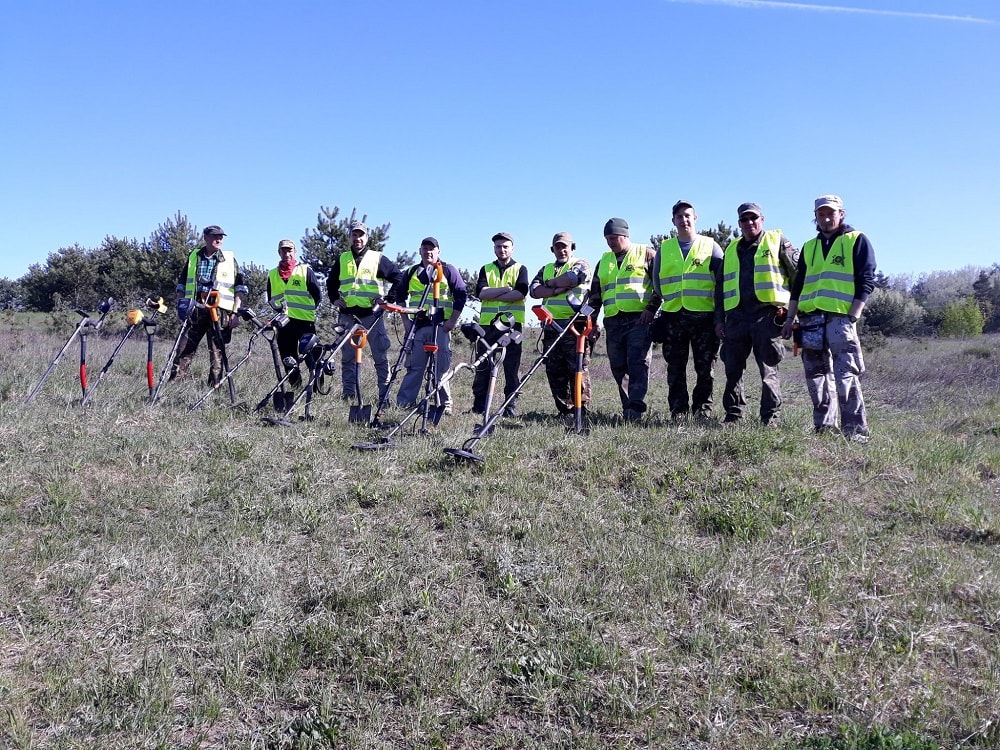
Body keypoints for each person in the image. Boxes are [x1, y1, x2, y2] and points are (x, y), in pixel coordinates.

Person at [780, 195, 877, 442]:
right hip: (810, 319)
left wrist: (852, 316)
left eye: (830, 213)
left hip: (839, 319)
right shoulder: (809, 247)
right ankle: (824, 427)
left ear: (841, 214)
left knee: (846, 375)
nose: (825, 218)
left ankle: (855, 431)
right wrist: (790, 318)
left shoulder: (856, 240)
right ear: (816, 217)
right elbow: (798, 285)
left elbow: (866, 280)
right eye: (821, 214)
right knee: (816, 376)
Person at [715, 203, 798, 426]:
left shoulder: (777, 241)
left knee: (768, 370)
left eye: (754, 218)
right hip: (737, 318)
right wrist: (719, 319)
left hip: (767, 316)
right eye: (744, 219)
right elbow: (720, 287)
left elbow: (798, 278)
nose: (749, 223)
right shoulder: (731, 248)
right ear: (739, 223)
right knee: (733, 370)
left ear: (762, 219)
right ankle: (733, 415)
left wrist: (793, 315)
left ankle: (770, 418)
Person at [646, 200, 723, 421]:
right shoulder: (665, 249)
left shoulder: (711, 246)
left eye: (688, 215)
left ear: (695, 218)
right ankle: (678, 412)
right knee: (675, 368)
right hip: (673, 317)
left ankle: (702, 412)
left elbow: (721, 282)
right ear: (673, 221)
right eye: (679, 216)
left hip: (704, 318)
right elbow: (657, 284)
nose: (684, 220)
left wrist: (719, 317)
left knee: (705, 368)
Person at [326, 221, 402, 403]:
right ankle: (349, 395)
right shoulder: (343, 259)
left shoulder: (377, 258)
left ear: (366, 238)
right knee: (348, 358)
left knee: (380, 357)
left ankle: (384, 397)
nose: (357, 238)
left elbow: (399, 277)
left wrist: (389, 299)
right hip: (348, 316)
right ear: (350, 237)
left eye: (361, 235)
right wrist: (334, 299)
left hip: (372, 316)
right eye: (354, 235)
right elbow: (331, 282)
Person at [589, 218, 654, 422]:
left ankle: (635, 409)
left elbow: (661, 287)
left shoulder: (646, 253)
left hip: (639, 320)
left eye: (614, 238)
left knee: (637, 363)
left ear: (625, 236)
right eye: (607, 238)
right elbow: (595, 296)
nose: (610, 242)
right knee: (618, 366)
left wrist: (651, 309)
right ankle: (627, 407)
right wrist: (591, 322)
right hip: (613, 321)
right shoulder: (604, 261)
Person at [394, 237, 468, 412]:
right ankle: (404, 404)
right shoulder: (411, 272)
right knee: (414, 367)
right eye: (425, 248)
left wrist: (452, 322)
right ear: (420, 251)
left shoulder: (448, 270)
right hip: (417, 327)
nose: (428, 251)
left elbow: (461, 295)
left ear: (438, 252)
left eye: (432, 248)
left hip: (441, 327)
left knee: (441, 368)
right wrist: (405, 321)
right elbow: (400, 297)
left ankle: (444, 406)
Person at [171, 225, 247, 385]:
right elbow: (181, 285)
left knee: (217, 352)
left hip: (219, 311)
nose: (218, 239)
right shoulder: (193, 257)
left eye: (221, 237)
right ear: (205, 237)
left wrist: (235, 313)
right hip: (195, 309)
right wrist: (181, 308)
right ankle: (174, 386)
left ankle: (214, 388)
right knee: (184, 349)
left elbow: (239, 289)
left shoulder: (229, 260)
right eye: (214, 236)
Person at [529, 232, 592, 418]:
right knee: (554, 371)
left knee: (578, 369)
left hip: (575, 327)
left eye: (565, 246)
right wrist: (557, 288)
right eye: (558, 247)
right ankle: (565, 410)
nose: (561, 250)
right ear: (552, 249)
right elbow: (534, 291)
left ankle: (582, 411)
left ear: (572, 247)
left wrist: (549, 286)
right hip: (551, 327)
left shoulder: (581, 264)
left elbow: (573, 278)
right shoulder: (545, 268)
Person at [471, 232, 528, 418]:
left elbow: (520, 293)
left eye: (505, 246)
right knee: (483, 366)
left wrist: (493, 293)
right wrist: (505, 290)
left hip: (512, 327)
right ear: (493, 248)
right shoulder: (485, 269)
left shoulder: (521, 269)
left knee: (511, 369)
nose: (501, 250)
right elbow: (481, 293)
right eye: (498, 246)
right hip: (487, 326)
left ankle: (510, 407)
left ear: (512, 248)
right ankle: (479, 406)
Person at [266, 239, 322, 404]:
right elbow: (271, 299)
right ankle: (296, 388)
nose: (287, 253)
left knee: (312, 357)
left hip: (305, 322)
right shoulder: (272, 274)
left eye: (290, 250)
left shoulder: (305, 271)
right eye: (283, 250)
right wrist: (280, 314)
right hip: (284, 324)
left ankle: (317, 390)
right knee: (288, 358)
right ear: (279, 252)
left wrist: (309, 311)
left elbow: (317, 295)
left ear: (295, 252)